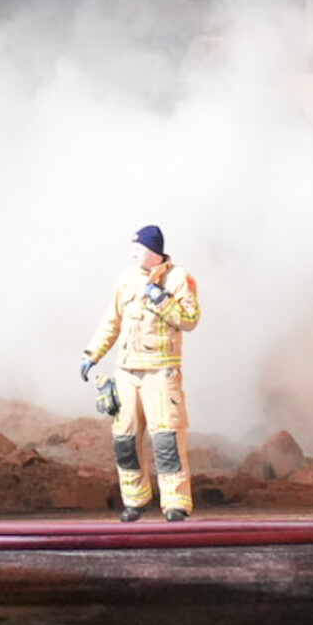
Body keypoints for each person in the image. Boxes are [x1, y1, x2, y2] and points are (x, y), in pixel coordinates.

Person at [78, 224, 201, 522]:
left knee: (166, 439)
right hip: (127, 372)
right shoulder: (126, 279)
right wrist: (92, 353)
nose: (133, 253)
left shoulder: (179, 278)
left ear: (153, 250)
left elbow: (190, 319)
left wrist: (161, 299)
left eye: (139, 248)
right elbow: (112, 321)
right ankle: (134, 499)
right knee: (124, 438)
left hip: (161, 373)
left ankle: (175, 503)